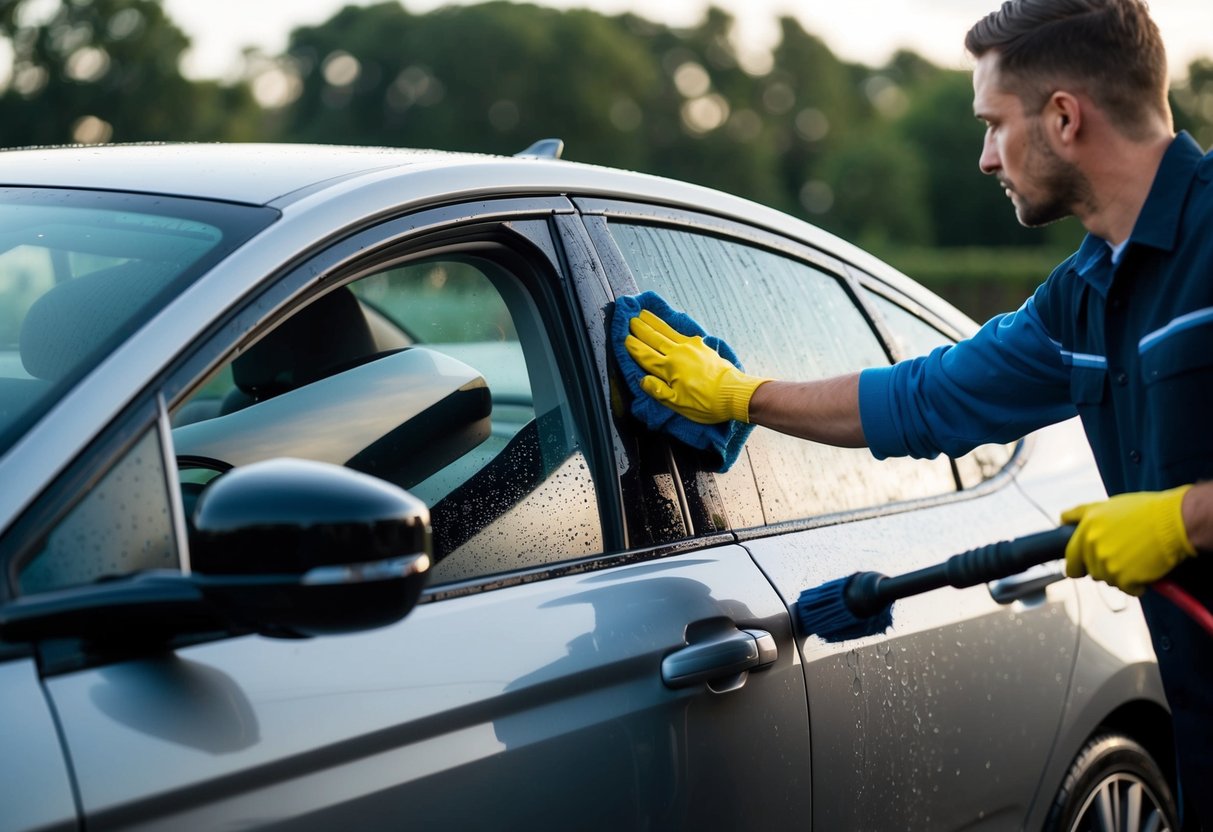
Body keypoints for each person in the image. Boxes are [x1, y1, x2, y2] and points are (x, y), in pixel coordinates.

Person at [624, 0, 1212, 827]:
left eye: (991, 124)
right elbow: (923, 397)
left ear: (1063, 117)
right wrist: (738, 395)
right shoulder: (1083, 298)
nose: (982, 158)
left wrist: (1184, 519)